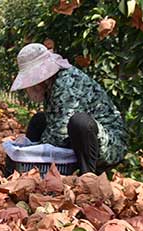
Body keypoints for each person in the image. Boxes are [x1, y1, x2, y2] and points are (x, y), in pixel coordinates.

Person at [10, 43, 128, 175]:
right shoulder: (52, 84)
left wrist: (32, 150)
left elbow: (59, 134)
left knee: (80, 122)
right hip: (80, 138)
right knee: (39, 120)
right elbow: (55, 122)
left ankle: (88, 175)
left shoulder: (65, 84)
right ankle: (29, 172)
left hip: (110, 144)